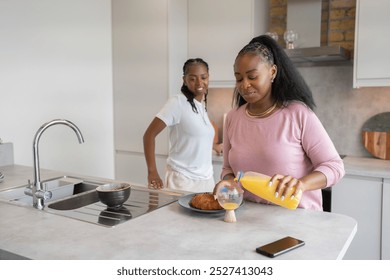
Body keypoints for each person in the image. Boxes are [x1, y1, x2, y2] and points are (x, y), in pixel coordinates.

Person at [214, 35, 345, 210]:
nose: (244, 85)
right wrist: (228, 183)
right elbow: (228, 169)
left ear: (272, 72)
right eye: (239, 78)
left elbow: (335, 167)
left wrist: (301, 184)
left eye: (252, 76)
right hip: (248, 220)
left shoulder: (298, 114)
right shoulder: (233, 118)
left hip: (297, 221)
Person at [143, 58, 215, 192]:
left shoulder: (201, 105)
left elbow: (196, 136)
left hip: (207, 180)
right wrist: (152, 172)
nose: (199, 82)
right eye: (193, 78)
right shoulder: (177, 103)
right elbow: (149, 135)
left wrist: (215, 146)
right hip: (183, 181)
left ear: (208, 77)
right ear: (184, 80)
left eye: (203, 77)